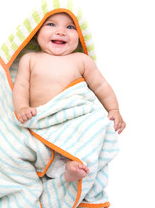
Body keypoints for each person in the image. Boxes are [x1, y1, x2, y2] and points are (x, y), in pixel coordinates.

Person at [12, 12, 126, 182]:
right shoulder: (30, 59)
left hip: (74, 118)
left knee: (95, 125)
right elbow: (21, 86)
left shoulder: (81, 60)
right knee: (30, 148)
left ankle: (73, 164)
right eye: (51, 24)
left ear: (80, 36)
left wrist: (114, 109)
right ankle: (63, 168)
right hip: (43, 121)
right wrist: (22, 107)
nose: (61, 32)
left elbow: (101, 85)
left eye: (70, 27)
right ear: (36, 31)